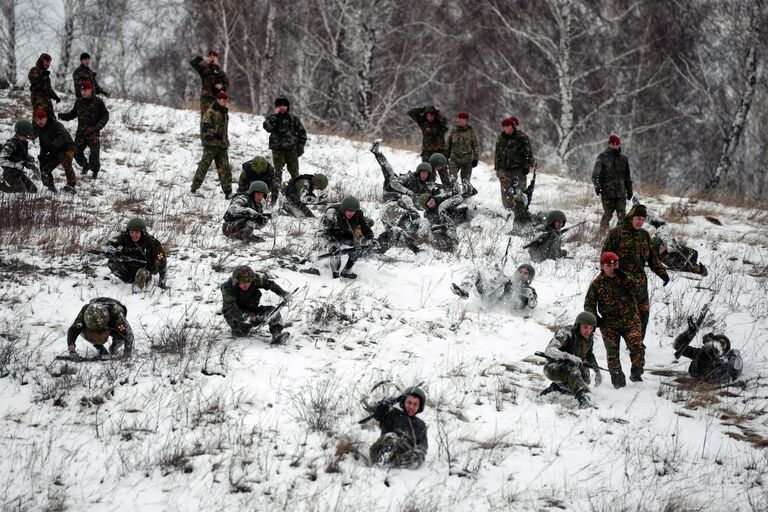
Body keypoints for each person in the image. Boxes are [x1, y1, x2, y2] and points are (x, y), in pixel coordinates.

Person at [603, 204, 669, 339]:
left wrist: (663, 274)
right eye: (638, 218)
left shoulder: (644, 236)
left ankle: (637, 343)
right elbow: (605, 257)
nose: (640, 222)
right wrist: (608, 277)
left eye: (643, 219)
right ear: (631, 217)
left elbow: (652, 259)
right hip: (621, 280)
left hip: (640, 283)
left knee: (643, 314)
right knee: (624, 315)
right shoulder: (617, 233)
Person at [584, 251, 645, 387]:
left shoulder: (625, 278)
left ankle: (636, 373)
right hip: (609, 324)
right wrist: (595, 319)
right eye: (609, 265)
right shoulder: (597, 284)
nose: (612, 268)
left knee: (638, 349)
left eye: (615, 264)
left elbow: (639, 291)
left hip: (630, 321)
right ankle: (618, 384)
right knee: (612, 355)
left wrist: (626, 279)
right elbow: (589, 303)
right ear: (602, 266)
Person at [542, 312, 601, 409]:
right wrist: (568, 356)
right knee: (573, 371)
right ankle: (583, 399)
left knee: (585, 379)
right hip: (552, 367)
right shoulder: (566, 333)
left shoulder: (589, 339)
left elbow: (589, 355)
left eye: (591, 328)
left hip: (572, 368)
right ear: (578, 325)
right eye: (585, 327)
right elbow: (549, 350)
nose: (588, 331)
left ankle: (557, 387)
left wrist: (597, 372)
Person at [220, 265, 291, 344]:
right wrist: (253, 318)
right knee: (242, 332)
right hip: (235, 317)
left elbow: (270, 284)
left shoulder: (255, 279)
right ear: (237, 281)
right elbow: (233, 311)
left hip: (251, 309)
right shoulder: (228, 289)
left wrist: (283, 293)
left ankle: (277, 335)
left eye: (248, 282)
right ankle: (238, 330)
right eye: (243, 282)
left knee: (272, 311)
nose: (246, 285)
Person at [367, 386, 428, 468]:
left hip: (402, 460)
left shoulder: (421, 425)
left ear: (420, 406)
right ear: (404, 402)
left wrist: (416, 458)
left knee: (416, 454)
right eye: (409, 403)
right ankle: (379, 469)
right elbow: (374, 410)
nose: (411, 407)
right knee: (392, 437)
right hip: (379, 452)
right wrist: (382, 406)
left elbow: (423, 449)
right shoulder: (392, 414)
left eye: (415, 404)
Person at [59, 80, 109, 179]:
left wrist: (100, 125)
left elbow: (105, 115)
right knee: (74, 151)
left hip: (93, 132)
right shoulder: (79, 101)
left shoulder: (98, 101)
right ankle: (85, 165)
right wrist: (63, 116)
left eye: (85, 90)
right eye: (81, 90)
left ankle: (94, 171)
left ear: (90, 90)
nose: (83, 92)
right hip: (81, 133)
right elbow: (73, 114)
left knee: (94, 153)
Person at [320, 195, 375, 279]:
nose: (351, 213)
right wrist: (330, 244)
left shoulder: (358, 213)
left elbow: (364, 226)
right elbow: (322, 232)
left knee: (358, 249)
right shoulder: (332, 213)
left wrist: (370, 238)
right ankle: (335, 274)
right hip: (333, 234)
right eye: (349, 211)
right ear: (344, 209)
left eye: (353, 211)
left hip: (347, 233)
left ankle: (347, 271)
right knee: (335, 253)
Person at [370, 139, 438, 206]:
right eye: (423, 172)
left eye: (426, 174)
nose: (424, 175)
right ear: (419, 172)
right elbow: (394, 183)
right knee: (390, 173)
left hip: (404, 203)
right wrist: (406, 191)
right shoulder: (409, 177)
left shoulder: (424, 186)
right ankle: (376, 152)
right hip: (392, 195)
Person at [673, 318, 742, 383]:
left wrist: (712, 344)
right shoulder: (701, 354)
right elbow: (677, 345)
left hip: (719, 383)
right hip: (699, 380)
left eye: (723, 343)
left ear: (727, 346)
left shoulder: (731, 358)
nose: (721, 345)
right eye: (718, 342)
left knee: (734, 352)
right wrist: (688, 332)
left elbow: (734, 373)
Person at [105, 217, 167, 289]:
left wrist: (162, 281)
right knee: (112, 262)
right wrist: (112, 250)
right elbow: (110, 244)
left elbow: (162, 261)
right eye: (131, 232)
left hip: (144, 270)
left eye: (137, 232)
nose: (134, 235)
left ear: (143, 232)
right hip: (128, 270)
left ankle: (137, 290)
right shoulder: (124, 237)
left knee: (142, 273)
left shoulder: (152, 242)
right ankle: (129, 281)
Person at [263, 96, 307, 197]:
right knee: (277, 174)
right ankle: (274, 197)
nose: (282, 107)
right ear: (276, 107)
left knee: (295, 175)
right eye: (279, 106)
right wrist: (274, 117)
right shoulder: (273, 118)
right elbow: (267, 127)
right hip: (278, 150)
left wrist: (300, 145)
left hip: (292, 150)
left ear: (287, 107)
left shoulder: (293, 119)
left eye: (284, 105)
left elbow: (302, 132)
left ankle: (294, 196)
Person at [191, 91, 232, 197]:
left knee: (225, 169)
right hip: (211, 145)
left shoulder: (224, 112)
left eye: (226, 101)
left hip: (222, 146)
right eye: (223, 101)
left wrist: (223, 139)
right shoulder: (211, 112)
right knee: (203, 167)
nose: (225, 103)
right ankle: (194, 189)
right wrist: (214, 134)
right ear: (218, 100)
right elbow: (205, 126)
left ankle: (228, 192)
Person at [593, 134, 633, 240]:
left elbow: (627, 177)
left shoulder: (623, 159)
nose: (615, 146)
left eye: (617, 144)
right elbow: (595, 175)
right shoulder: (602, 157)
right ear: (609, 143)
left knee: (622, 217)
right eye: (613, 144)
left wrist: (629, 191)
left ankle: (619, 238)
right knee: (607, 215)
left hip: (621, 194)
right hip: (607, 194)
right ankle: (602, 238)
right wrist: (598, 187)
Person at [451, 263, 537, 311]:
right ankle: (464, 289)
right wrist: (497, 275)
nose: (522, 274)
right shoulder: (509, 279)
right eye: (520, 271)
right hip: (489, 298)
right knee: (476, 271)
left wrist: (530, 297)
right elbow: (495, 283)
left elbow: (532, 305)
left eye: (525, 273)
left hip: (501, 308)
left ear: (530, 277)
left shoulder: (529, 290)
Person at [66, 298, 133, 360]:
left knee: (121, 335)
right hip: (96, 304)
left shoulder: (116, 314)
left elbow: (128, 334)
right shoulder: (85, 310)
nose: (97, 332)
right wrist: (72, 350)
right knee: (81, 330)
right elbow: (73, 330)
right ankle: (99, 347)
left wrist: (127, 353)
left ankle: (113, 349)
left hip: (113, 324)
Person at [31, 109, 77, 194]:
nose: (39, 121)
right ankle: (50, 186)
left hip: (67, 147)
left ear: (46, 118)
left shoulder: (56, 125)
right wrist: (42, 155)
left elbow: (63, 136)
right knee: (44, 166)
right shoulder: (40, 129)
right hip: (55, 151)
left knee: (66, 162)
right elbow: (43, 144)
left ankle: (71, 186)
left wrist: (54, 145)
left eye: (41, 119)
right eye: (37, 120)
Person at [494, 116, 533, 213]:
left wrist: (526, 166)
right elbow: (497, 154)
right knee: (506, 194)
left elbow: (528, 153)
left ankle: (521, 213)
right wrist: (497, 169)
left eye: (506, 126)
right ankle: (508, 212)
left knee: (520, 193)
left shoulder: (522, 137)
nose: (504, 129)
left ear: (511, 126)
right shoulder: (500, 138)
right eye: (503, 127)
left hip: (518, 170)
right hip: (504, 171)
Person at [0, 120, 38, 193]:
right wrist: (16, 165)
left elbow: (22, 156)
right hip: (9, 173)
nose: (29, 135)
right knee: (21, 191)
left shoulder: (23, 142)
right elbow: (1, 160)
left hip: (18, 173)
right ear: (24, 132)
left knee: (33, 190)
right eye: (28, 133)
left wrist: (29, 161)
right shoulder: (11, 143)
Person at [190, 49, 229, 117]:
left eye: (214, 57)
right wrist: (202, 58)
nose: (212, 58)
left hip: (218, 101)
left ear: (217, 59)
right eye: (210, 57)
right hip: (206, 100)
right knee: (205, 122)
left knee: (217, 122)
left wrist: (221, 87)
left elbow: (227, 84)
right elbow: (193, 63)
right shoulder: (204, 69)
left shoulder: (220, 72)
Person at [446, 111, 480, 190]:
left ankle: (466, 198)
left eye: (462, 119)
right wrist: (446, 157)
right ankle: (453, 195)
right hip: (454, 159)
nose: (459, 120)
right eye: (459, 118)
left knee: (466, 182)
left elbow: (476, 146)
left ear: (466, 121)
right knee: (452, 179)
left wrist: (475, 158)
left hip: (467, 161)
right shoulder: (454, 131)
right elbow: (448, 145)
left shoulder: (471, 132)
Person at [28, 53, 60, 119]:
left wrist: (55, 96)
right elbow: (34, 81)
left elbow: (48, 88)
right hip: (38, 101)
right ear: (41, 61)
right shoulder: (34, 70)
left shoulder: (46, 75)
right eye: (46, 61)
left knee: (51, 120)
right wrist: (42, 75)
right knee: (39, 120)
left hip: (47, 102)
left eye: (49, 62)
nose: (47, 64)